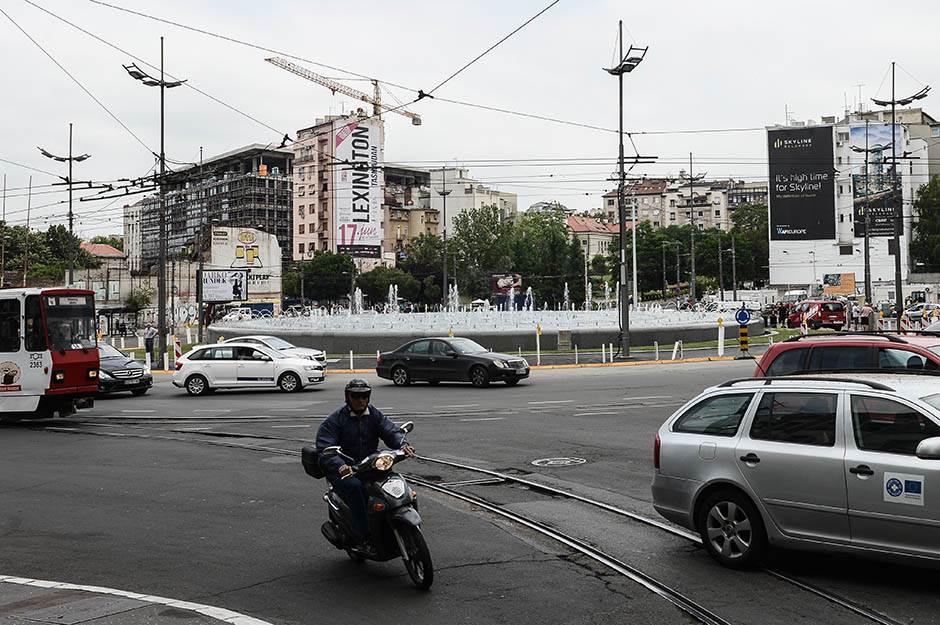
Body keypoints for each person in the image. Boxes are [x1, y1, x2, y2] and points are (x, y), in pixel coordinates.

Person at [315, 378, 415, 554]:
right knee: (356, 488)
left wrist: (402, 445)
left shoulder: (374, 414)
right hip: (345, 470)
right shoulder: (335, 420)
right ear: (348, 397)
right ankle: (363, 537)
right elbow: (324, 449)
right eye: (356, 396)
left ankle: (405, 527)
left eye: (364, 396)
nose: (361, 400)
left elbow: (390, 430)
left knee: (395, 482)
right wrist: (340, 465)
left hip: (370, 465)